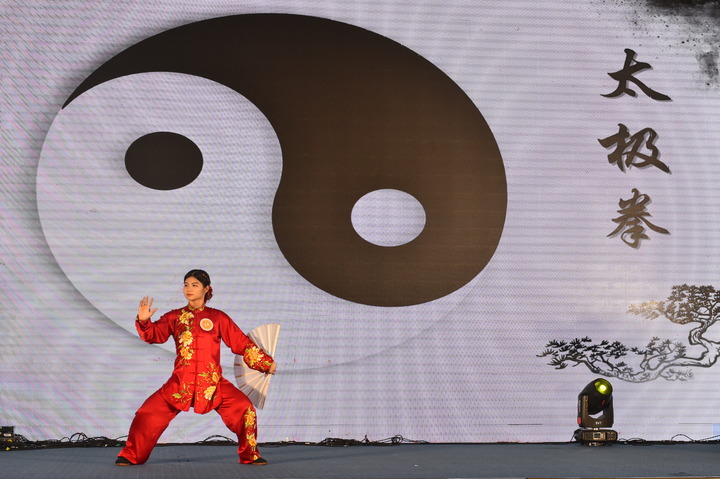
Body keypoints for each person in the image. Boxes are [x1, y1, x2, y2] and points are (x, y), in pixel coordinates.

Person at [115, 269, 276, 466]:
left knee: (245, 409)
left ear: (206, 289)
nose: (189, 289)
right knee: (146, 414)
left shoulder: (218, 317)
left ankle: (250, 455)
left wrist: (265, 363)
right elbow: (154, 335)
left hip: (212, 384)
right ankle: (131, 455)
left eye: (194, 285)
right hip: (180, 383)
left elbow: (240, 342)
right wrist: (144, 321)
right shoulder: (175, 317)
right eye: (186, 285)